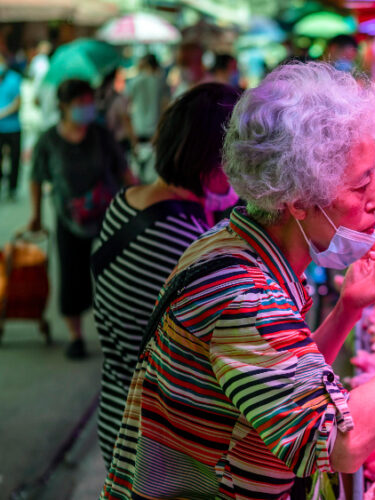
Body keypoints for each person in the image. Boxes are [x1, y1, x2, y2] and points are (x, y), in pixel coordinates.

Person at [101, 62, 375, 499]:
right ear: (299, 201)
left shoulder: (229, 241)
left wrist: (348, 308)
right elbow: (339, 444)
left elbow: (282, 384)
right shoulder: (246, 297)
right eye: (361, 185)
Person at [92, 82, 241, 468]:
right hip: (155, 439)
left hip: (118, 411)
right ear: (211, 161)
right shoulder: (184, 242)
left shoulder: (124, 203)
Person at [28, 79, 136, 359]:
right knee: (72, 277)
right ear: (63, 106)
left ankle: (121, 333)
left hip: (110, 217)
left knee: (116, 276)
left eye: (90, 102)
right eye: (81, 103)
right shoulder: (49, 140)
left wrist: (142, 199)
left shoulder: (101, 134)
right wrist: (36, 215)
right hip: (69, 219)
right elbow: (36, 178)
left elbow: (123, 171)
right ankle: (76, 336)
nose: (87, 108)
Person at [0, 51, 23, 201]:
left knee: (14, 157)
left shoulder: (14, 78)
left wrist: (2, 112)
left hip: (13, 126)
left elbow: (18, 102)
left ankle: (12, 188)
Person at [96, 68, 136, 158]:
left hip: (102, 140)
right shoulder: (118, 98)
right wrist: (134, 143)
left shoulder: (97, 94)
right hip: (119, 142)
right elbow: (126, 121)